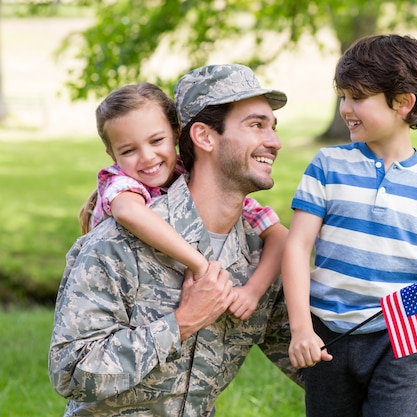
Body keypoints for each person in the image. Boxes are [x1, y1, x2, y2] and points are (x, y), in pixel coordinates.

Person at [49, 64, 299, 416]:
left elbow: (314, 360)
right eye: (256, 125)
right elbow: (69, 372)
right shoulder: (116, 243)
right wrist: (182, 322)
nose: (274, 142)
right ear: (204, 137)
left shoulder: (256, 255)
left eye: (273, 127)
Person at [282, 34, 417, 417]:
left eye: (357, 97)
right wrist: (301, 329)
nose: (345, 108)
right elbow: (296, 247)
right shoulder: (327, 166)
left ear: (403, 104)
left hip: (403, 331)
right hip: (329, 329)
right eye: (342, 96)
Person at [78, 82, 287, 319]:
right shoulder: (122, 183)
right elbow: (128, 212)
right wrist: (200, 264)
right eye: (128, 151)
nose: (147, 157)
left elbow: (280, 235)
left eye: (157, 141)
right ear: (112, 155)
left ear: (176, 134)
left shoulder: (183, 175)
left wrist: (253, 291)